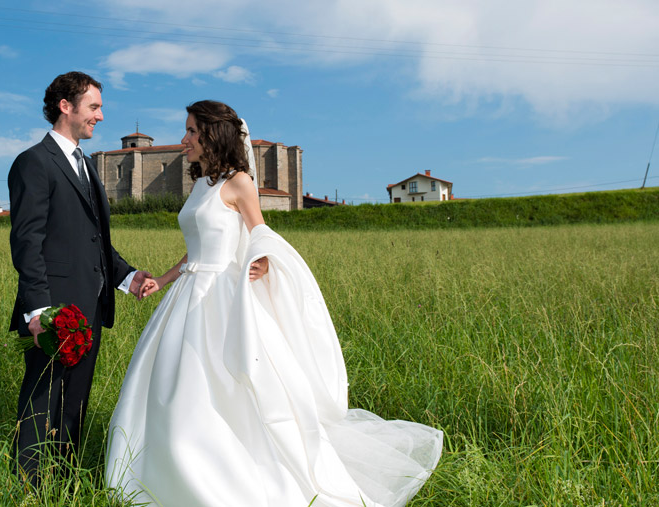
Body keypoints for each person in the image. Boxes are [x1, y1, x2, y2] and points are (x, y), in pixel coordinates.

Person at [104, 100, 443, 506]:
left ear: (214, 134)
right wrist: (162, 279)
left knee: (226, 387)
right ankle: (158, 471)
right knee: (168, 387)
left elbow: (259, 231)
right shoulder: (199, 186)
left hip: (221, 299)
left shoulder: (240, 182)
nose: (185, 139)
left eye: (193, 131)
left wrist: (263, 259)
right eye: (188, 130)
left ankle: (228, 474)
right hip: (185, 298)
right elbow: (196, 252)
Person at [7, 71, 150, 486]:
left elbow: (94, 240)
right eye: (94, 107)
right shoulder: (34, 162)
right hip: (54, 306)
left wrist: (128, 277)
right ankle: (29, 484)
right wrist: (38, 310)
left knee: (75, 399)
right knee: (42, 396)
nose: (100, 117)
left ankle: (64, 479)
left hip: (91, 302)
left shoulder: (86, 164)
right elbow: (27, 241)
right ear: (65, 107)